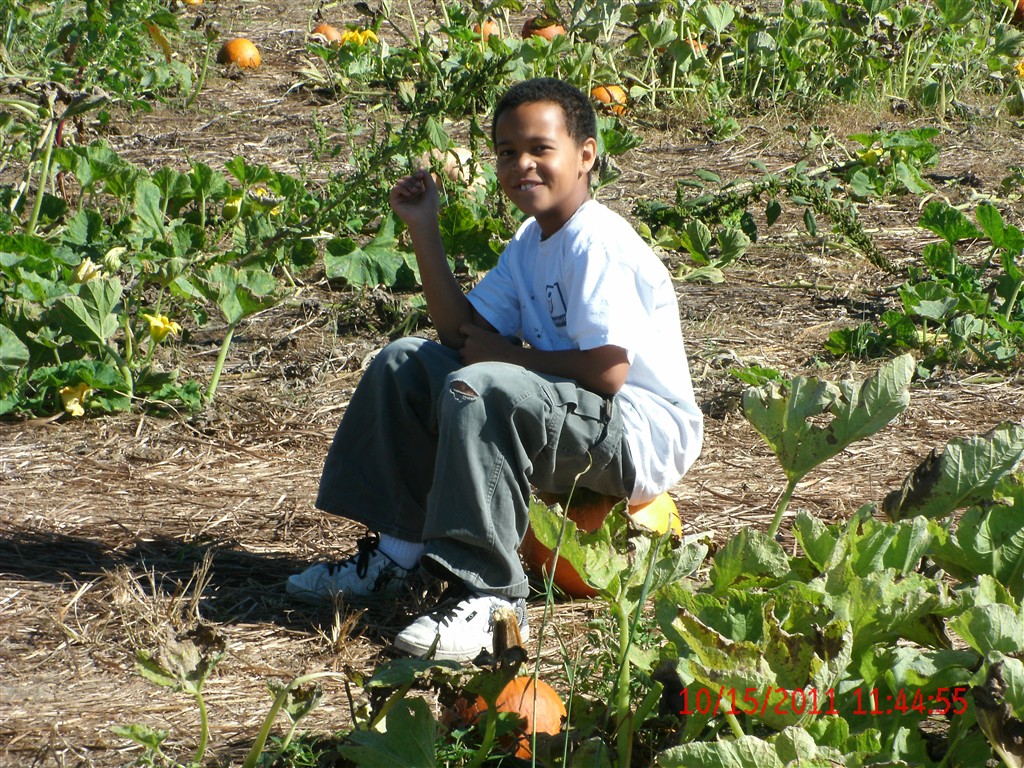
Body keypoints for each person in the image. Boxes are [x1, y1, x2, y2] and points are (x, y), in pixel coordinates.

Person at [287, 77, 703, 662]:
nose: (521, 164)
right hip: (574, 412)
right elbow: (460, 335)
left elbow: (609, 373)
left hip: (635, 434)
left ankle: (492, 601)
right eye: (508, 152)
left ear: (586, 155)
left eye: (540, 148)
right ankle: (396, 556)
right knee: (406, 361)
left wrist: (508, 358)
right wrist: (423, 227)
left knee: (480, 388)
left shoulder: (599, 243)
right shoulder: (531, 241)